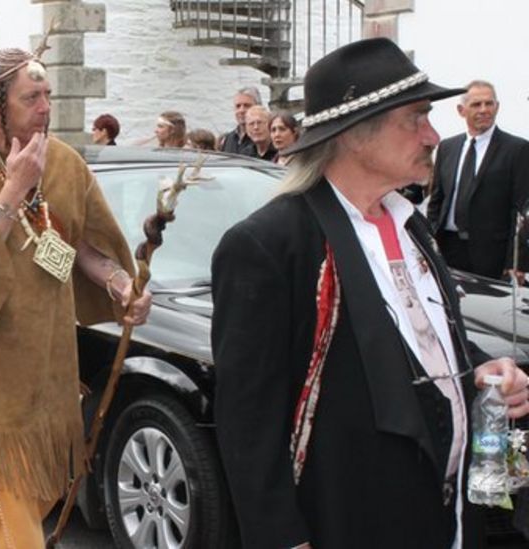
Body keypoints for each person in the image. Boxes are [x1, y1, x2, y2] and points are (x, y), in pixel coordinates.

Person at [212, 38, 529, 548]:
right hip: (351, 521)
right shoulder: (270, 245)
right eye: (417, 118)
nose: (433, 134)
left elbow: (425, 344)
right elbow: (248, 424)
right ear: (356, 136)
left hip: (443, 520)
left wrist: (480, 371)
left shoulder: (412, 227)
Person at [0, 47, 152, 548]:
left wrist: (121, 286)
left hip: (52, 364)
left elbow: (81, 248)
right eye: (31, 97)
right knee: (10, 513)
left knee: (29, 504)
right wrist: (12, 191)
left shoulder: (64, 161)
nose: (45, 106)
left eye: (47, 95)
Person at [426, 80, 529, 281]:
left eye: (489, 104)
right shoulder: (447, 148)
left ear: (497, 107)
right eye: (476, 104)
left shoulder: (517, 150)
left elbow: (520, 212)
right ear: (461, 110)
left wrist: (516, 263)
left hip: (492, 256)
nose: (484, 110)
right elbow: (436, 201)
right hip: (447, 249)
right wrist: (428, 243)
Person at [219, 86, 262, 155]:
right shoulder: (228, 139)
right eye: (238, 106)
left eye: (247, 106)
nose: (241, 110)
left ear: (258, 107)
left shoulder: (262, 137)